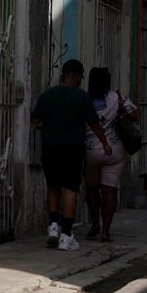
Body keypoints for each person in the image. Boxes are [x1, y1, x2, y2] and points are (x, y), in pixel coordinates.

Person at [31, 59, 107, 251]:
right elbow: (94, 124)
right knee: (70, 189)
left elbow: (35, 119)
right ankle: (66, 235)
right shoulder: (82, 97)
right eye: (81, 77)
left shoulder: (48, 95)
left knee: (53, 186)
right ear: (77, 77)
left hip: (50, 147)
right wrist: (105, 143)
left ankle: (53, 227)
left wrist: (45, 125)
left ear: (62, 75)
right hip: (72, 148)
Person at [82, 67, 137, 243]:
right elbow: (134, 115)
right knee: (109, 190)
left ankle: (95, 224)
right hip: (115, 151)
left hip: (91, 151)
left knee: (91, 189)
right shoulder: (117, 97)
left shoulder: (84, 99)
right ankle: (106, 231)